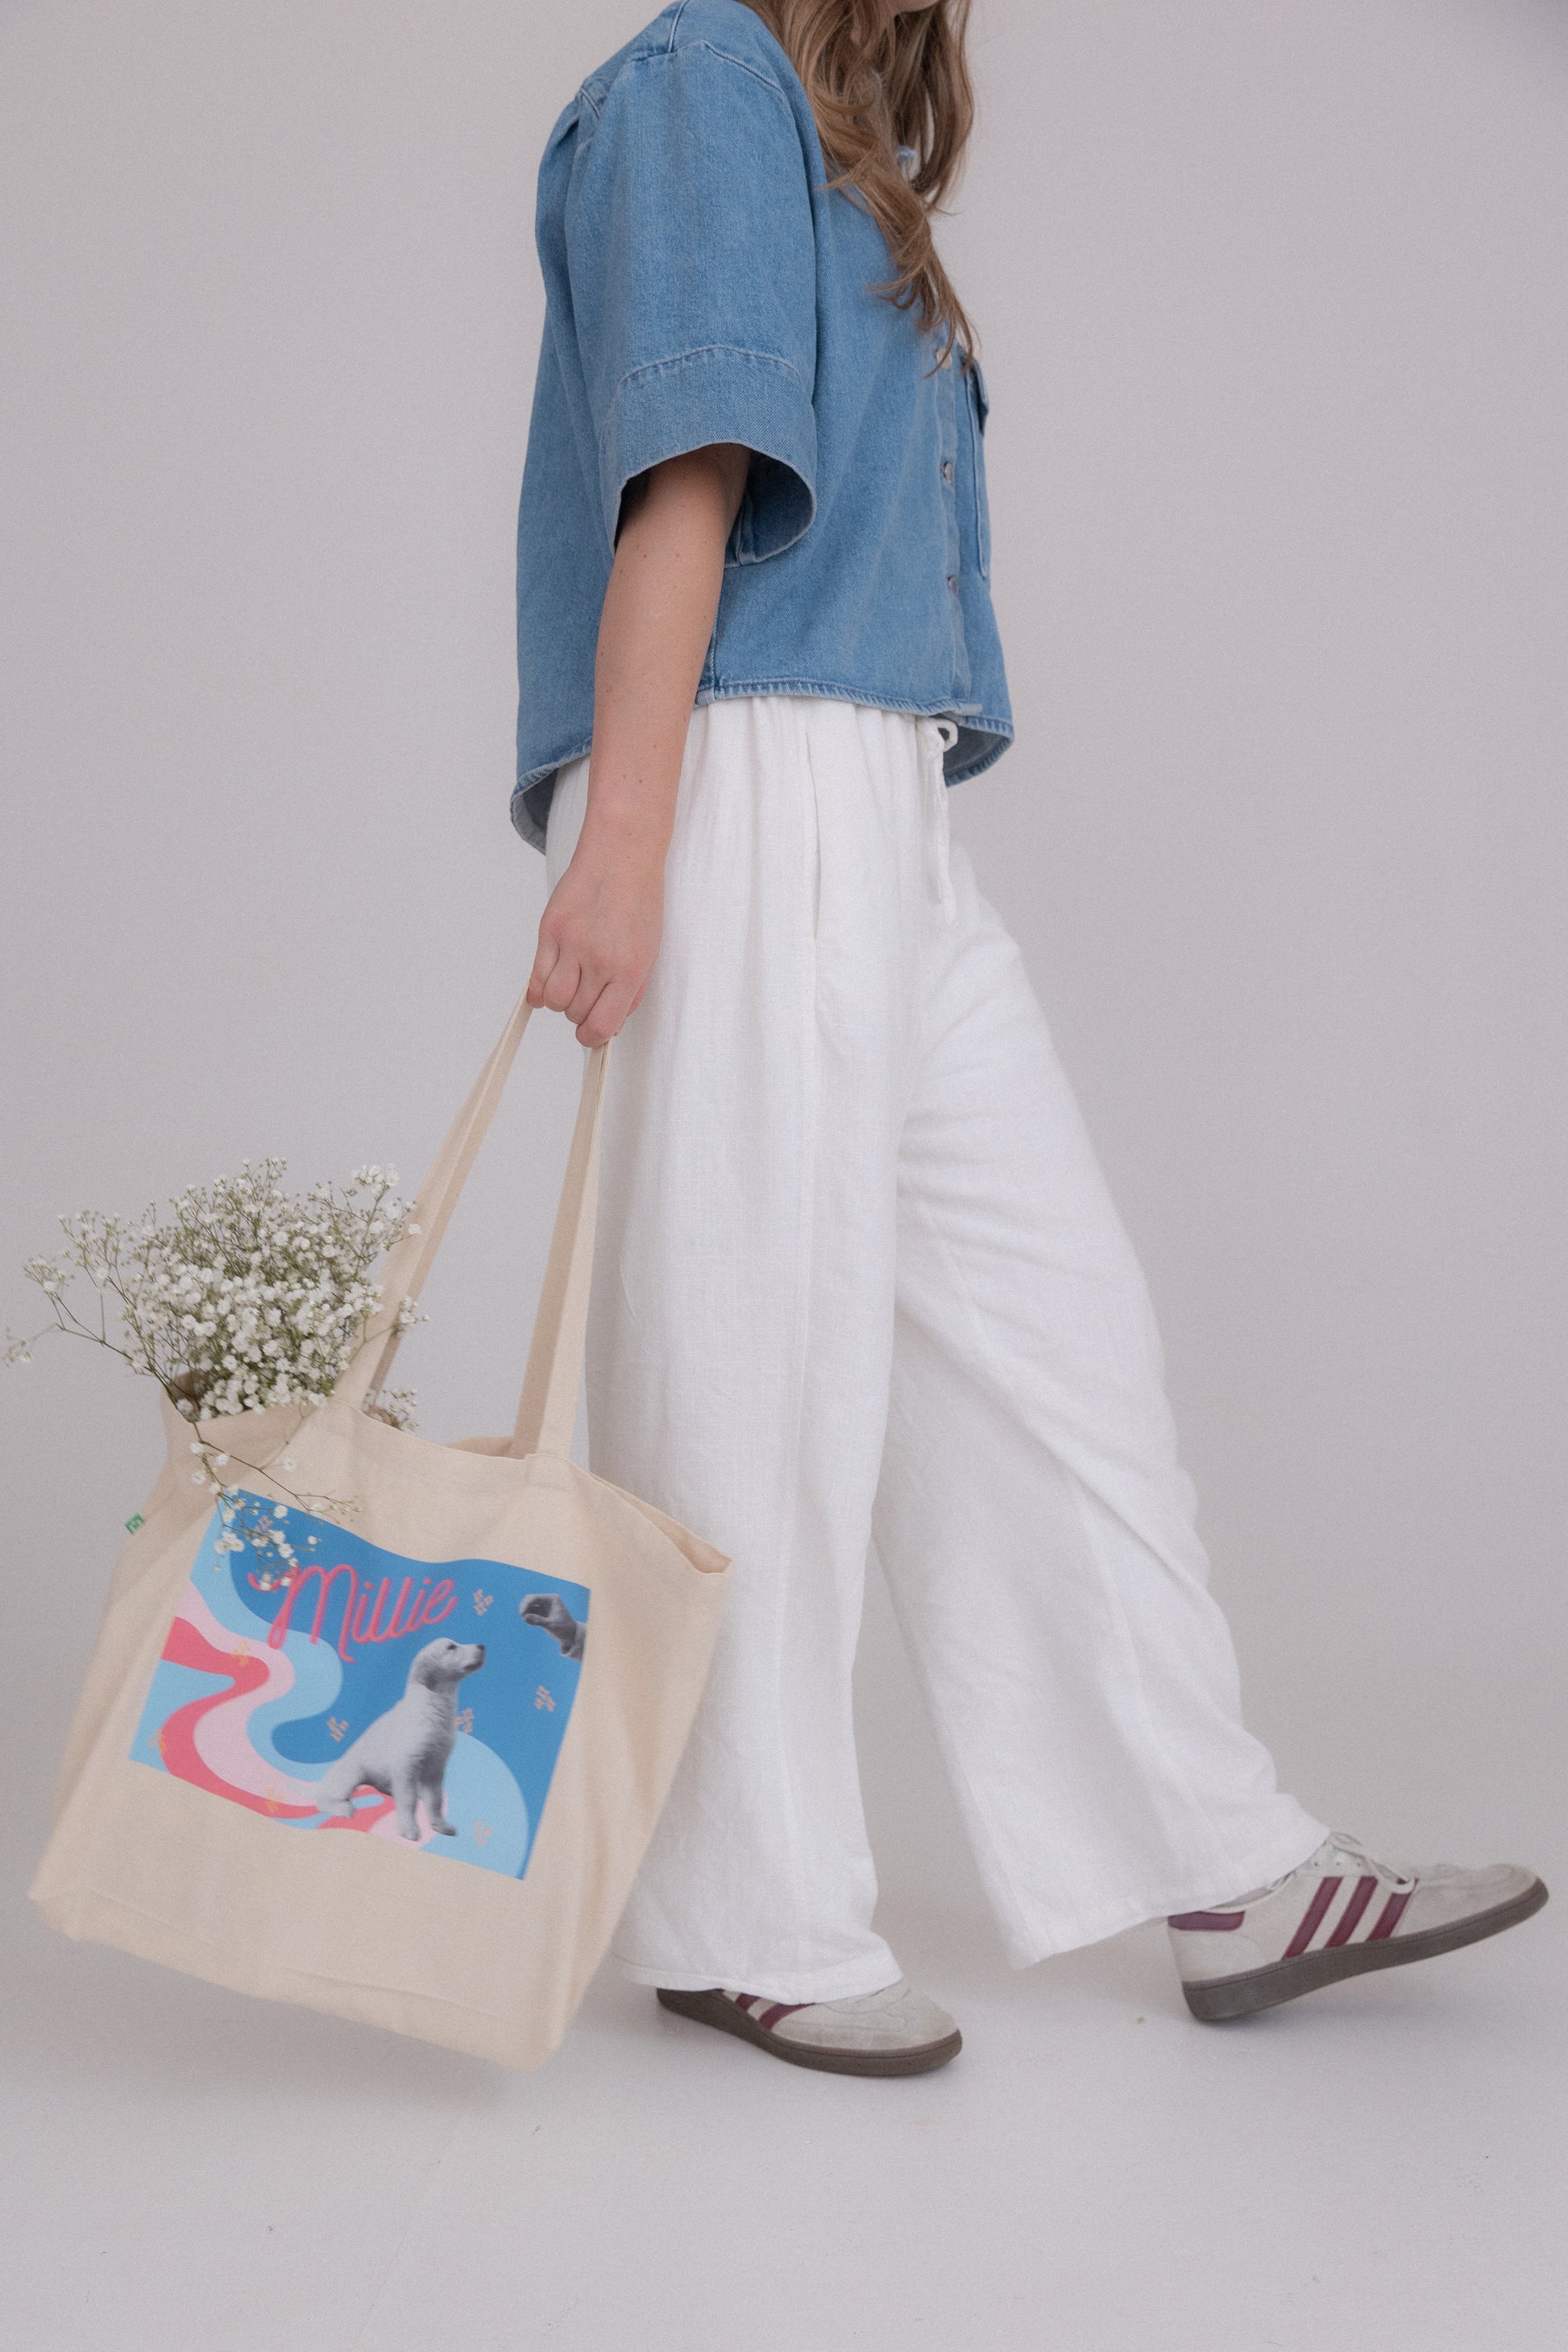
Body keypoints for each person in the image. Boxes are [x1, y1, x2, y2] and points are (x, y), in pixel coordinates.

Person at [513, 0, 1545, 2077]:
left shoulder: (818, 114)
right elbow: (685, 480)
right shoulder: (708, 79)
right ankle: (746, 1914)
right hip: (748, 770)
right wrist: (625, 841)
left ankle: (1215, 1851)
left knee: (1045, 1334)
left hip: (872, 789)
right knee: (755, 1359)